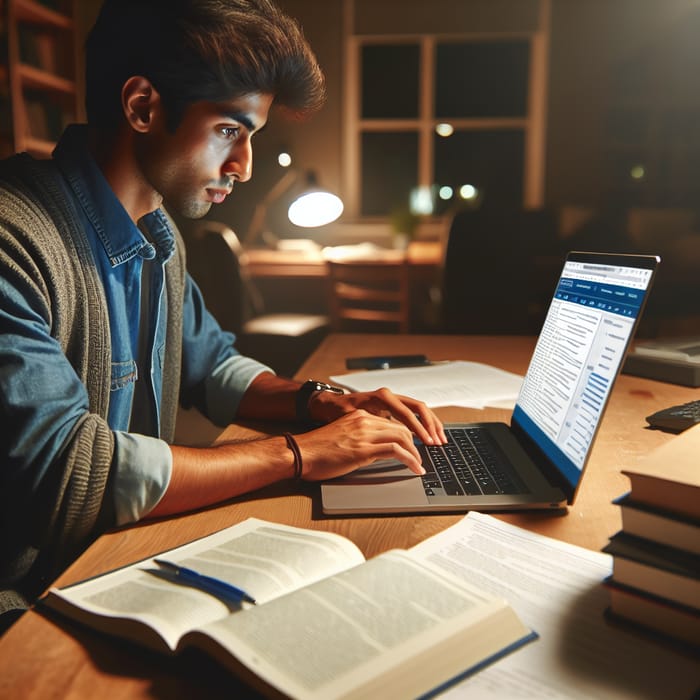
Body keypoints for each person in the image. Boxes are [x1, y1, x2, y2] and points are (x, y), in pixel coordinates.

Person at [0, 0, 446, 629]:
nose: (244, 167)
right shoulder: (13, 242)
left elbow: (212, 365)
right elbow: (69, 474)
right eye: (230, 131)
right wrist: (300, 454)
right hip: (25, 598)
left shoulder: (157, 233)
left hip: (106, 560)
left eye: (251, 137)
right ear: (143, 107)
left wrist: (320, 402)